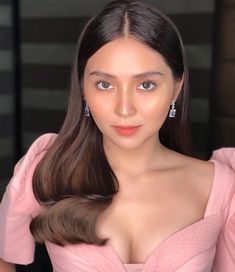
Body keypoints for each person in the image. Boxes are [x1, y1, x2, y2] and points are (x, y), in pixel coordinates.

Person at [0, 0, 235, 271]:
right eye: (105, 84)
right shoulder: (46, 172)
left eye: (146, 85)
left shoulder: (222, 187)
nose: (124, 109)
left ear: (176, 88)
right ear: (83, 88)